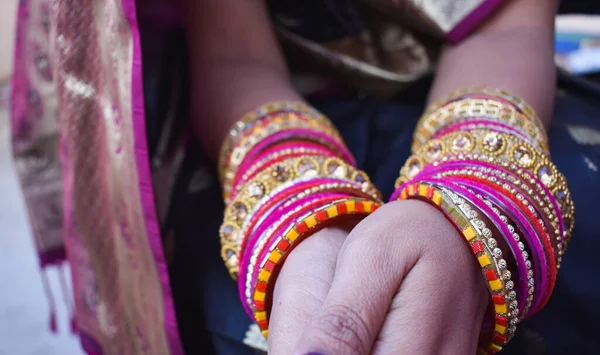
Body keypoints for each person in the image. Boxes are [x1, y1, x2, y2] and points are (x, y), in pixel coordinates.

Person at [10, 0, 600, 354]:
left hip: (484, 77)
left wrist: (466, 204)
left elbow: (502, 27)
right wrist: (298, 212)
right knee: (243, 300)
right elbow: (234, 57)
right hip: (270, 103)